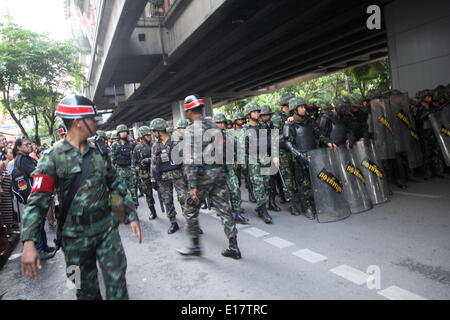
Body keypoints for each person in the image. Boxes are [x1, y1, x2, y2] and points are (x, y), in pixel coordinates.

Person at [20, 94, 142, 300]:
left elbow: (115, 184)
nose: (96, 123)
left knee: (118, 284)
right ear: (78, 122)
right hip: (73, 239)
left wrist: (130, 215)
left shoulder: (100, 151)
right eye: (92, 119)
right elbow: (36, 202)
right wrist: (29, 242)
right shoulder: (51, 158)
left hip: (106, 231)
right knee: (80, 289)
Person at [178, 94, 241, 259]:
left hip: (202, 178)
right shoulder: (215, 126)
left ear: (189, 112)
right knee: (225, 209)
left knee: (190, 209)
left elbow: (190, 160)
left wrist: (192, 186)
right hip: (218, 174)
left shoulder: (192, 129)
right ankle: (234, 247)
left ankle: (195, 247)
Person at [283, 97, 336, 220]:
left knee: (317, 182)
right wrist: (300, 155)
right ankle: (307, 207)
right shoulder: (289, 124)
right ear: (294, 110)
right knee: (303, 185)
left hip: (314, 155)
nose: (303, 109)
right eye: (301, 107)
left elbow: (319, 133)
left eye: (304, 106)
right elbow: (288, 144)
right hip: (300, 158)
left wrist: (328, 142)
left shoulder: (310, 121)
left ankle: (319, 204)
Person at [13, 137, 54, 259]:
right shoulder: (22, 160)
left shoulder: (27, 158)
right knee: (36, 223)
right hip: (32, 195)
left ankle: (44, 246)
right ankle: (39, 250)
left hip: (36, 193)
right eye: (26, 144)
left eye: (30, 144)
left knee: (41, 222)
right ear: (19, 147)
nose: (29, 146)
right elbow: (35, 173)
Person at [240, 102, 279, 224]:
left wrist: (275, 156)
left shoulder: (263, 127)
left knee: (266, 184)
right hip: (253, 161)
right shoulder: (244, 130)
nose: (257, 113)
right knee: (259, 185)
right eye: (255, 112)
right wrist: (244, 164)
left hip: (265, 158)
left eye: (258, 111)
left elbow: (271, 142)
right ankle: (262, 210)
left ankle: (261, 206)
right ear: (249, 114)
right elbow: (242, 149)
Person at [150, 118, 188, 234]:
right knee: (168, 201)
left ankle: (190, 223)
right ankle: (173, 223)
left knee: (184, 199)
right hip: (163, 178)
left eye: (153, 131)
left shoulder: (176, 141)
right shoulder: (155, 146)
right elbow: (153, 163)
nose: (152, 133)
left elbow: (185, 160)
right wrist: (153, 179)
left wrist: (187, 176)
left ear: (158, 131)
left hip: (178, 175)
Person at [213, 113, 248, 224]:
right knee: (221, 193)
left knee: (235, 188)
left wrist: (236, 159)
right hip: (216, 169)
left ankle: (237, 212)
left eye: (223, 123)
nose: (221, 125)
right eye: (218, 123)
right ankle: (224, 212)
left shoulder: (228, 135)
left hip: (228, 166)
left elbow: (235, 147)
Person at [271, 94, 298, 215]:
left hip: (296, 150)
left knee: (298, 177)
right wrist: (275, 155)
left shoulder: (294, 115)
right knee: (287, 179)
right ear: (285, 105)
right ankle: (292, 204)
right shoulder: (277, 118)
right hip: (283, 152)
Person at [111, 124, 138, 207]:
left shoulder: (132, 145)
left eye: (125, 132)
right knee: (122, 191)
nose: (123, 133)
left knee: (133, 190)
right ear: (118, 134)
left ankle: (135, 207)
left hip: (131, 170)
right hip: (120, 171)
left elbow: (136, 158)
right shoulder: (115, 145)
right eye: (121, 132)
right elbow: (112, 159)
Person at [133, 126, 157, 220]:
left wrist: (149, 160)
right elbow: (134, 163)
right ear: (142, 136)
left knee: (164, 194)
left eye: (149, 135)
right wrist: (136, 175)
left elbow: (159, 158)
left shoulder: (154, 145)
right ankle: (153, 212)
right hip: (144, 174)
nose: (149, 137)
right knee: (148, 194)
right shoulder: (137, 148)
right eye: (147, 135)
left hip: (155, 172)